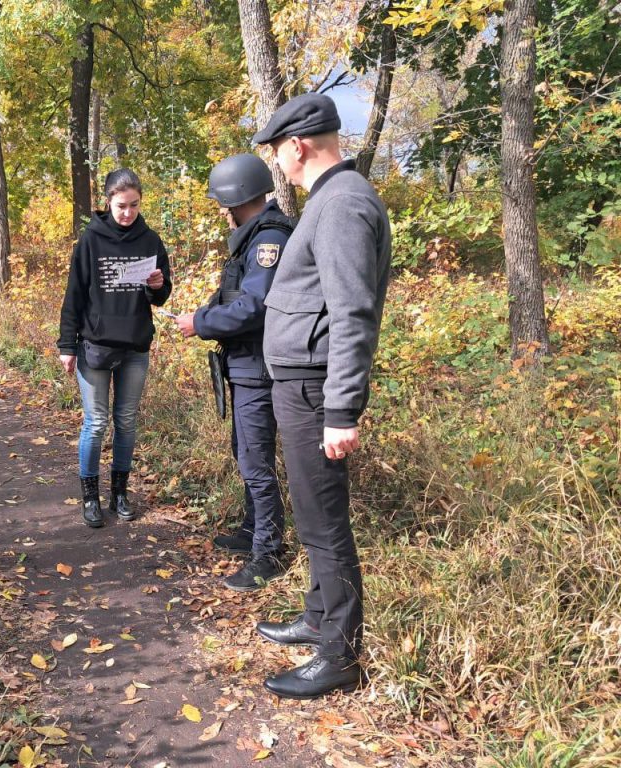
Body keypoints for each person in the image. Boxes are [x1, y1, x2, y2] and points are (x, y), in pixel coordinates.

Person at [253, 93, 391, 699]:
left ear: (297, 146)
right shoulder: (329, 200)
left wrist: (341, 410)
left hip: (316, 390)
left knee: (325, 520)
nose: (277, 166)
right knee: (310, 509)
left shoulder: (341, 205)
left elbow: (353, 313)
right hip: (301, 385)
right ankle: (318, 618)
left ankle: (339, 654)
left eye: (277, 154)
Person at [174, 154, 294, 591]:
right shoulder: (250, 238)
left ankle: (267, 553)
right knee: (244, 453)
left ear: (235, 198)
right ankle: (251, 531)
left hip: (260, 368)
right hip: (245, 365)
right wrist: (204, 311)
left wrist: (200, 324)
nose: (221, 211)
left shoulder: (270, 240)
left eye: (222, 202)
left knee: (256, 462)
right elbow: (233, 294)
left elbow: (254, 307)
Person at [57, 169, 172, 528]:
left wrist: (157, 285)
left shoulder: (150, 240)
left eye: (134, 205)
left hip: (135, 346)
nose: (128, 213)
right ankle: (90, 496)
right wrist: (66, 344)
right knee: (95, 423)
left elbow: (161, 295)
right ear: (108, 202)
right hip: (94, 347)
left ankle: (119, 493)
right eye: (121, 206)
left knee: (126, 422)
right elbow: (74, 294)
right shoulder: (90, 241)